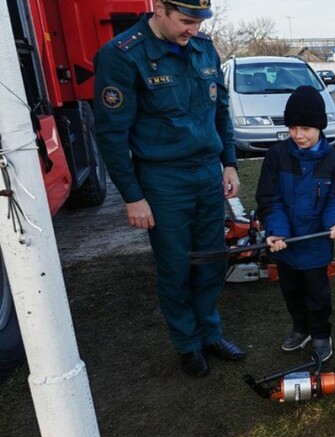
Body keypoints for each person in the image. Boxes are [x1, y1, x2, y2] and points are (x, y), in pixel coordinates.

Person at [93, 0, 245, 378]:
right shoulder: (121, 56)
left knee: (212, 258)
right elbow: (113, 135)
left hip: (208, 172)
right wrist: (132, 196)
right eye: (186, 21)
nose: (192, 30)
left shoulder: (203, 47)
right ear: (158, 8)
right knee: (176, 266)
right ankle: (188, 345)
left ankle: (211, 333)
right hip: (163, 179)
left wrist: (229, 162)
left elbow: (221, 111)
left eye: (198, 22)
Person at [255, 86, 335, 363]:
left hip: (316, 243)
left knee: (317, 295)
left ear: (319, 126)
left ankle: (321, 334)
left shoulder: (334, 162)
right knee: (292, 292)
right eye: (293, 127)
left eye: (306, 128)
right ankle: (301, 329)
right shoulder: (276, 156)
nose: (298, 135)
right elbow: (269, 199)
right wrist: (277, 231)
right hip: (284, 245)